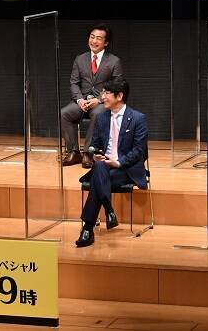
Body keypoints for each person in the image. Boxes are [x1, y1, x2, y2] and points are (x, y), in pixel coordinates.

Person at [75, 77, 148, 248]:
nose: (103, 97)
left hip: (125, 169)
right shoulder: (101, 118)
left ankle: (88, 228)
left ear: (119, 96)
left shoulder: (138, 118)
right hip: (104, 167)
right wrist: (95, 154)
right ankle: (108, 209)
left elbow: (139, 151)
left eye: (107, 93)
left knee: (98, 179)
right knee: (100, 166)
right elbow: (94, 145)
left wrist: (118, 163)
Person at [61, 24, 124, 168]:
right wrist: (79, 100)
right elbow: (74, 83)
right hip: (81, 101)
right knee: (64, 113)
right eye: (92, 37)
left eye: (99, 38)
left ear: (106, 43)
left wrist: (100, 99)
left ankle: (88, 153)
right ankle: (73, 152)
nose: (94, 41)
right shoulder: (80, 59)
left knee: (98, 114)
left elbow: (117, 86)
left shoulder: (114, 61)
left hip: (102, 103)